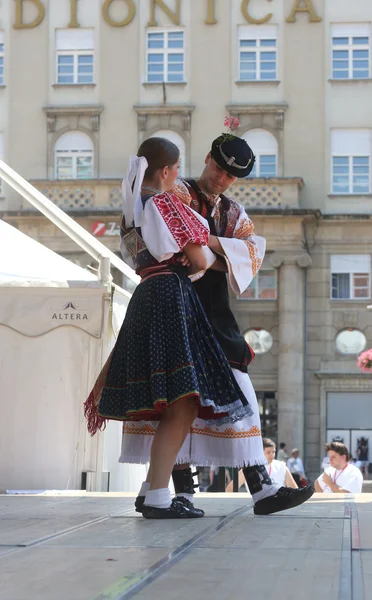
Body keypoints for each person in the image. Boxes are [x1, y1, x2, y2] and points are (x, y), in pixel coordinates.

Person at [122, 128, 314, 515]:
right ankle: (183, 491)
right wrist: (220, 248)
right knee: (176, 398)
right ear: (208, 158)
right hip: (178, 302)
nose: (223, 178)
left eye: (232, 176)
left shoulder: (233, 211)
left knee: (232, 392)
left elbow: (252, 252)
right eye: (220, 168)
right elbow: (201, 252)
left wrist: (211, 242)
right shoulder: (173, 193)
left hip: (211, 308)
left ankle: (255, 487)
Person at [84, 137, 254, 519]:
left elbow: (135, 252)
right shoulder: (166, 204)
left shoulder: (133, 204)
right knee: (184, 399)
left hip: (147, 293)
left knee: (170, 397)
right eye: (176, 169)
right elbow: (198, 258)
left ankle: (151, 488)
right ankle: (160, 495)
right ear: (165, 171)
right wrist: (227, 259)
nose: (180, 176)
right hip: (170, 295)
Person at [226, 438, 298, 492]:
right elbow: (229, 490)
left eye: (273, 452)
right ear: (260, 452)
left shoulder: (281, 466)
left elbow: (295, 491)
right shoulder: (249, 468)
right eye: (268, 452)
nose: (272, 455)